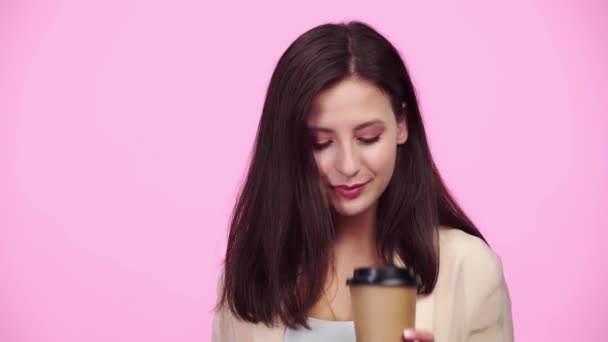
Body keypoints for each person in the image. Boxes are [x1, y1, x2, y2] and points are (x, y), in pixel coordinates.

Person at [212, 20, 513, 342]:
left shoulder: (469, 268)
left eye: (368, 138)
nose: (348, 165)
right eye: (320, 143)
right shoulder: (250, 275)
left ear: (401, 125)